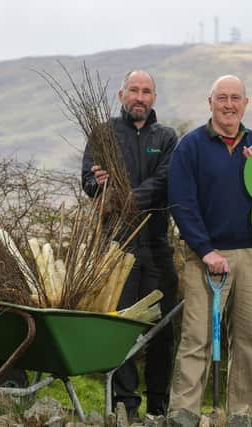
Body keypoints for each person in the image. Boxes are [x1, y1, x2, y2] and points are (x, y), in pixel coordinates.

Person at [167, 75, 252, 416]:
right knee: (197, 339)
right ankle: (185, 414)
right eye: (222, 97)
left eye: (235, 97)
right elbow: (181, 203)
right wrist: (205, 250)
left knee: (249, 341)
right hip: (206, 257)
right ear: (210, 102)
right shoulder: (190, 146)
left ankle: (242, 415)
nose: (229, 104)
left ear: (245, 103)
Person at [82, 70, 178, 418]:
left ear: (154, 98)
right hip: (116, 246)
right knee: (119, 326)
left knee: (162, 329)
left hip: (156, 244)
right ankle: (126, 406)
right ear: (122, 94)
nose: (140, 97)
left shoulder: (166, 137)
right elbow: (87, 182)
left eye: (147, 91)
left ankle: (158, 406)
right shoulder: (103, 133)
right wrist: (97, 183)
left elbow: (166, 182)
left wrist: (126, 197)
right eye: (134, 91)